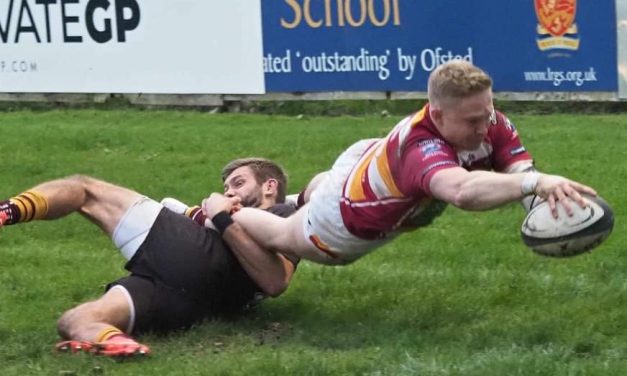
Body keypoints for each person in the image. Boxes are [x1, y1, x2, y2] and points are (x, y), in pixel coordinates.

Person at [202, 60, 597, 265]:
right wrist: (535, 185)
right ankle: (212, 210)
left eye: (488, 112)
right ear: (438, 115)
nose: (485, 126)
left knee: (328, 186)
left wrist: (551, 206)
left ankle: (305, 192)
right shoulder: (420, 146)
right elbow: (460, 191)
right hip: (341, 221)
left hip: (364, 159)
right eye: (473, 120)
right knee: (284, 235)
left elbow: (519, 173)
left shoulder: (490, 121)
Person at [0, 158, 297, 357]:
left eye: (238, 183)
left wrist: (219, 216)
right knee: (75, 319)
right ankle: (115, 342)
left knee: (84, 190)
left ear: (269, 186)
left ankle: (7, 210)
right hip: (191, 305)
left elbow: (275, 281)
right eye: (227, 187)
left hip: (195, 255)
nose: (229, 191)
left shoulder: (284, 216)